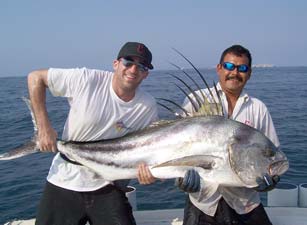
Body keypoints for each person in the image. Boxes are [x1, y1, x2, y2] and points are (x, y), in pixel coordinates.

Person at [28, 42, 158, 225]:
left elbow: (146, 149)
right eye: (128, 62)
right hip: (65, 178)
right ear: (116, 64)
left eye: (141, 66)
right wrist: (43, 128)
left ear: (146, 74)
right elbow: (35, 78)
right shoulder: (87, 79)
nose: (133, 69)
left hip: (107, 184)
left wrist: (150, 173)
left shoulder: (147, 106)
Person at [179, 45, 280, 225]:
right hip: (203, 203)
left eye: (242, 68)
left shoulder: (258, 108)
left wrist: (272, 180)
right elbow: (175, 146)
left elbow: (271, 152)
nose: (235, 73)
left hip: (245, 203)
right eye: (229, 66)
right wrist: (181, 178)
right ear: (219, 68)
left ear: (249, 73)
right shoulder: (197, 100)